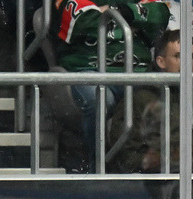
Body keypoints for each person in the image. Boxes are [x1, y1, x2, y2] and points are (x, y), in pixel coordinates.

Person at [51, 0, 171, 171]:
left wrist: (114, 12)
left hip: (137, 71)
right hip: (89, 69)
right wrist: (132, 18)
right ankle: (96, 168)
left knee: (165, 97)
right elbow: (83, 22)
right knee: (99, 100)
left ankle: (156, 168)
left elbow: (159, 15)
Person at [108, 29, 193, 173]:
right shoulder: (137, 101)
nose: (188, 63)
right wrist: (179, 162)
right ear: (161, 62)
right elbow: (126, 159)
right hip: (151, 189)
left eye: (192, 57)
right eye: (179, 56)